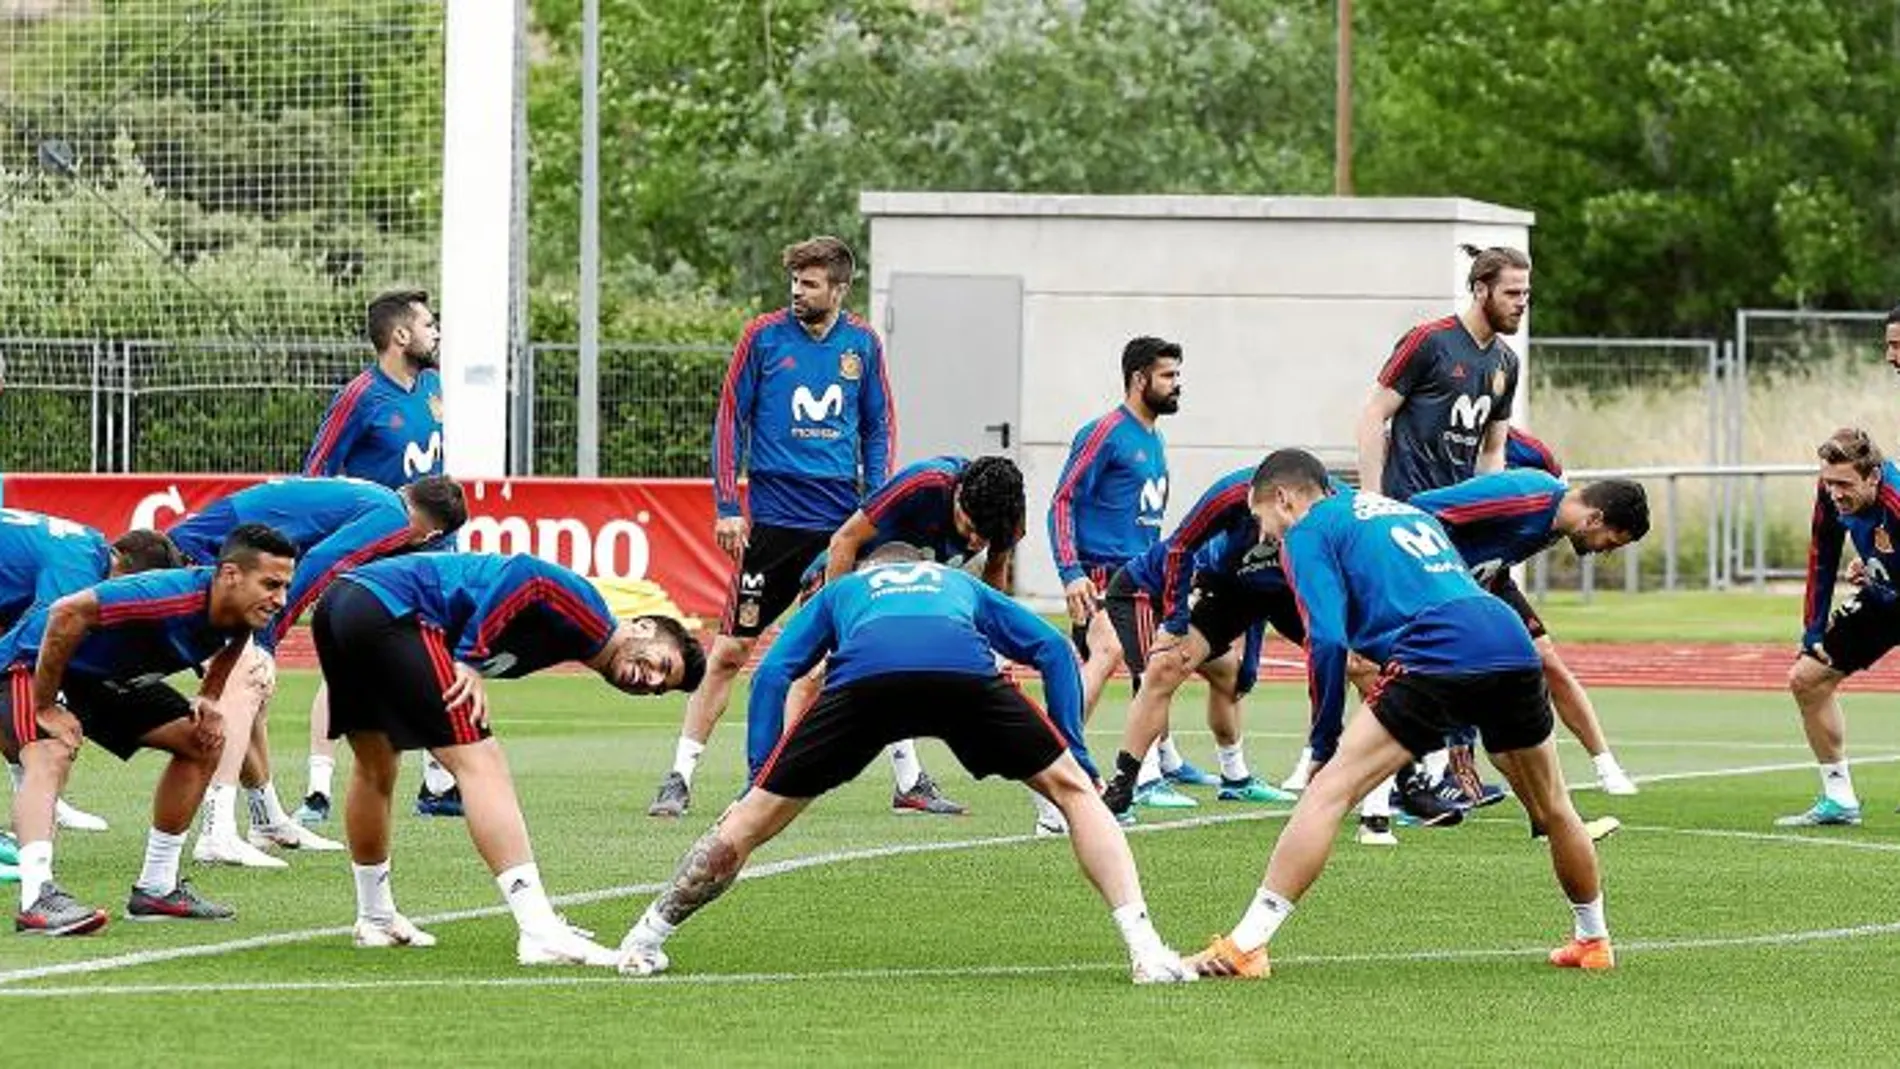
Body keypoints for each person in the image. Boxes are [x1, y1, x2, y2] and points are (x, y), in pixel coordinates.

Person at [615, 545, 1194, 984]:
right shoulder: (954, 581)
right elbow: (1051, 648)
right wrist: (1074, 749)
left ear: (869, 567)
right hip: (960, 673)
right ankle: (1145, 950)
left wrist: (758, 777)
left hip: (864, 682)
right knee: (1075, 795)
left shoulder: (842, 592)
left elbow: (773, 674)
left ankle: (645, 938)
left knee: (747, 822)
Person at [1184, 450, 1614, 978]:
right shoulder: (1393, 509)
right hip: (1507, 637)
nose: (1263, 534)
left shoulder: (1307, 533)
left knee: (1328, 792)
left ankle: (1245, 947)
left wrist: (1321, 745)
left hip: (1441, 648)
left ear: (1284, 498)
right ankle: (1593, 940)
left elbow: (1325, 639)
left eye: (1259, 520)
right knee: (1555, 807)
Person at [648, 235, 947, 819]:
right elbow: (731, 416)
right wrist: (728, 503)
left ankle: (909, 779)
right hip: (775, 523)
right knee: (732, 648)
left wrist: (876, 502)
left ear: (839, 288)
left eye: (810, 284)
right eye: (795, 281)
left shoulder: (862, 344)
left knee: (870, 642)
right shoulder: (762, 336)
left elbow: (879, 425)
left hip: (840, 526)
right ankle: (679, 775)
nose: (797, 292)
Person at [312, 551, 705, 963]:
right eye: (662, 664)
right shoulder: (593, 617)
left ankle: (375, 917)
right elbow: (528, 573)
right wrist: (471, 658)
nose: (651, 681)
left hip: (345, 604)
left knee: (376, 765)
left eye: (661, 687)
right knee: (482, 762)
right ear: (644, 626)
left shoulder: (574, 643)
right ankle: (539, 930)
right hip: (391, 607)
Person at [4, 524, 296, 935]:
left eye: (285, 586)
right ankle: (37, 898)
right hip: (30, 666)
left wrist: (210, 697)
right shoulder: (166, 595)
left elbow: (236, 639)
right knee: (50, 752)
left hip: (98, 679)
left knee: (203, 740)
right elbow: (65, 612)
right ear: (230, 574)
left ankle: (156, 889)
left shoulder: (245, 610)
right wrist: (46, 705)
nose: (280, 598)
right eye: (271, 584)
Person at [165, 475, 468, 864]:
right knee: (246, 681)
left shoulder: (376, 497)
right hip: (205, 562)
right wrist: (267, 641)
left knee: (252, 697)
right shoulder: (392, 519)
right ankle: (216, 831)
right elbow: (323, 562)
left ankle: (265, 819)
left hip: (207, 557)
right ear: (432, 533)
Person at [1334, 243, 1529, 810]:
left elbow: (1492, 451)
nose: (1521, 303)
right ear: (1480, 290)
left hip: (1454, 529)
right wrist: (1371, 500)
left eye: (1525, 293)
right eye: (1512, 293)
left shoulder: (1504, 365)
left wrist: (1490, 517)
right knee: (1376, 651)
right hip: (1403, 519)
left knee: (1442, 649)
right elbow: (1374, 415)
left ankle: (1420, 774)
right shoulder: (1428, 341)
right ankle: (1366, 772)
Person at [300, 288, 462, 819]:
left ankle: (437, 788)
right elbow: (317, 475)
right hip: (379, 552)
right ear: (399, 335)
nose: (436, 332)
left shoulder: (433, 384)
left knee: (441, 657)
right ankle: (318, 790)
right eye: (428, 324)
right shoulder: (360, 396)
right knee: (346, 666)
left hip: (436, 545)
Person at [1412, 449, 1646, 799]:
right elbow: (1421, 508)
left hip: (1489, 580)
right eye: (1610, 542)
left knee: (1546, 659)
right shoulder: (1526, 495)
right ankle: (1427, 776)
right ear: (1595, 518)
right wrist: (1441, 573)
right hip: (1443, 584)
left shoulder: (1558, 525)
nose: (1604, 551)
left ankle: (1606, 766)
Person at [1047, 336, 1210, 810]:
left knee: (1161, 660)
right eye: (1168, 376)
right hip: (1102, 575)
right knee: (1130, 661)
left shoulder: (1154, 437)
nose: (1177, 385)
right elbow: (1063, 500)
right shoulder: (1104, 432)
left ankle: (1165, 757)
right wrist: (1070, 570)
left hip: (1143, 573)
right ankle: (1078, 763)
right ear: (1139, 379)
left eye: (1178, 375)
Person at [1095, 468, 1300, 820]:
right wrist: (1174, 625)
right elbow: (1190, 567)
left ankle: (1234, 777)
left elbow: (1258, 599)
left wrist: (1250, 662)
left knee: (1228, 675)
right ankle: (1141, 780)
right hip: (1141, 592)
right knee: (1154, 673)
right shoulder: (1217, 551)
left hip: (1188, 597)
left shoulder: (1291, 540)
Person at [1, 508, 183, 832]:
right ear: (123, 567)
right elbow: (39, 636)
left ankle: (39, 798)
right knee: (23, 677)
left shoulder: (88, 547)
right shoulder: (77, 567)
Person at [1779, 428, 1900, 826]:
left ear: (1874, 477)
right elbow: (1822, 556)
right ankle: (1839, 798)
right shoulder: (1829, 494)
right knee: (1807, 678)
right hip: (1884, 598)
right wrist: (1812, 632)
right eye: (1828, 482)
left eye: (1844, 484)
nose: (1835, 493)